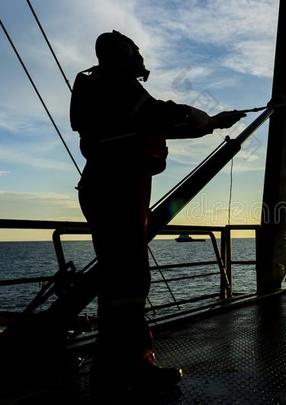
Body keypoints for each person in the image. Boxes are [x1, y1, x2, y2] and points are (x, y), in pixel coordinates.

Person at [69, 30, 244, 394]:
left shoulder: (95, 89)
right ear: (123, 56)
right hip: (118, 190)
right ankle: (133, 367)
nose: (139, 60)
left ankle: (111, 365)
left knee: (117, 281)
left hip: (105, 189)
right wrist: (209, 120)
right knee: (130, 283)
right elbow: (163, 115)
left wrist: (211, 122)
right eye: (134, 53)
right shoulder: (119, 87)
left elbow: (154, 125)